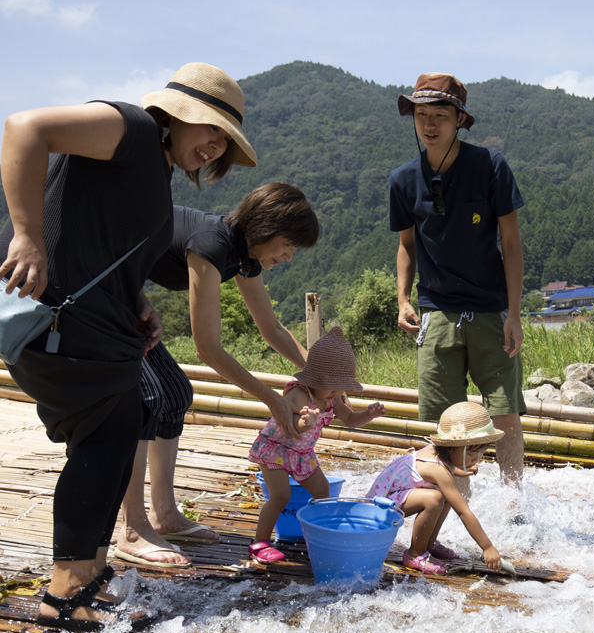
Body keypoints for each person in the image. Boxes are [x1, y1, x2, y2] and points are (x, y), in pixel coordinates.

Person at [0, 62, 255, 633]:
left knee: (121, 431)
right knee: (102, 440)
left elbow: (100, 239)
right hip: (57, 315)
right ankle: (65, 592)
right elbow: (23, 128)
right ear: (177, 113)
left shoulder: (151, 167)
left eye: (223, 142)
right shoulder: (133, 127)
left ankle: (86, 576)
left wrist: (136, 298)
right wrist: (26, 234)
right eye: (209, 129)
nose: (213, 146)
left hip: (96, 320)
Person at [114, 183, 320, 567]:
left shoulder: (243, 254)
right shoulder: (212, 244)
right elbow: (207, 348)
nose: (290, 256)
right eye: (289, 245)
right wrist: (273, 400)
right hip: (100, 284)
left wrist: (318, 374)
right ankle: (132, 527)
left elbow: (271, 329)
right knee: (147, 399)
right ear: (265, 229)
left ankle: (165, 514)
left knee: (175, 393)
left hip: (128, 292)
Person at [388, 73, 526, 484]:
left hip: (489, 309)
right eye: (421, 115)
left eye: (440, 116)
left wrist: (514, 314)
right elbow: (407, 245)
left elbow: (512, 244)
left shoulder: (489, 166)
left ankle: (515, 505)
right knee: (444, 423)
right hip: (437, 311)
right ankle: (452, 504)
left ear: (459, 120)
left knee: (505, 413)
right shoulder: (403, 180)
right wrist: (403, 299)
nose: (429, 125)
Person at [247, 328, 385, 564]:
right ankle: (259, 543)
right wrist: (305, 422)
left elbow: (350, 420)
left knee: (323, 492)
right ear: (315, 379)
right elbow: (290, 426)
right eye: (331, 386)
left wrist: (369, 415)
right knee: (281, 495)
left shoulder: (331, 397)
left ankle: (319, 534)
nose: (336, 391)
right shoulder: (299, 394)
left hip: (302, 453)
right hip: (277, 448)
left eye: (339, 387)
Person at [367, 401, 503, 575]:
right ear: (453, 447)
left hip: (392, 498)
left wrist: (460, 470)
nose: (476, 459)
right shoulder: (438, 469)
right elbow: (463, 511)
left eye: (480, 454)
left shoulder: (438, 453)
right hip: (380, 508)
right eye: (470, 454)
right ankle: (415, 553)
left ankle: (428, 543)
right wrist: (487, 547)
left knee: (443, 494)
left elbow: (440, 469)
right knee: (435, 498)